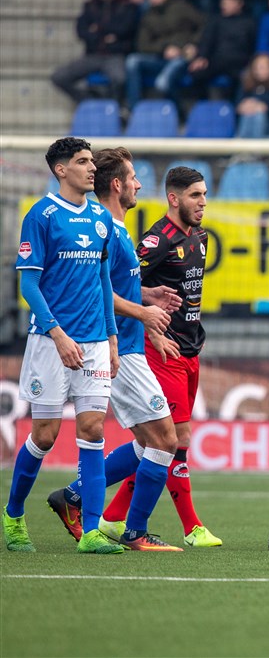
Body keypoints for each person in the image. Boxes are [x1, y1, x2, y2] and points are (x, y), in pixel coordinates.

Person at [46, 147, 184, 552]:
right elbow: (97, 290)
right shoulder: (103, 226)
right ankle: (134, 531)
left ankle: (72, 497)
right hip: (117, 347)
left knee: (147, 443)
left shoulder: (119, 229)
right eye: (134, 177)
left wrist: (147, 297)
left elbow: (116, 287)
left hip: (130, 344)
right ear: (118, 184)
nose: (140, 184)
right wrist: (142, 312)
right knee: (164, 440)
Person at [3, 137, 122, 555]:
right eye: (83, 161)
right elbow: (28, 283)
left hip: (92, 343)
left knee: (92, 430)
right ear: (61, 170)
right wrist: (58, 334)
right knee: (46, 435)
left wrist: (111, 337)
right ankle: (14, 514)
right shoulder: (42, 215)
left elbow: (104, 282)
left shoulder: (101, 218)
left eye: (92, 161)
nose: (92, 168)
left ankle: (91, 531)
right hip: (50, 343)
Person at [98, 166, 223, 548]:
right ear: (174, 198)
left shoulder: (200, 237)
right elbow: (124, 285)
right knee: (174, 438)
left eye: (204, 194)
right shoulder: (156, 241)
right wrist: (152, 327)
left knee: (158, 444)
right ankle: (191, 526)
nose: (202, 202)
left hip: (190, 347)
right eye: (195, 195)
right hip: (160, 349)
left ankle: (110, 515)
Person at [51, 0, 139, 103]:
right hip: (92, 55)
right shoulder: (91, 5)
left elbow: (124, 29)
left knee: (120, 79)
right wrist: (105, 35)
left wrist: (96, 30)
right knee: (59, 77)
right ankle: (88, 100)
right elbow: (81, 31)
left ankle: (115, 107)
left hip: (115, 55)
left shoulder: (128, 6)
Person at [124, 0, 204, 109]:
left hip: (183, 56)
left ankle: (178, 111)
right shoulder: (148, 15)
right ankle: (135, 109)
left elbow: (204, 25)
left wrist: (192, 45)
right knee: (132, 60)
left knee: (162, 82)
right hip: (159, 57)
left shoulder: (182, 7)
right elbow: (142, 45)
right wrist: (164, 49)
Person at [186, 0, 257, 101]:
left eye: (229, 1)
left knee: (245, 78)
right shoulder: (216, 20)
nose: (224, 4)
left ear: (239, 3)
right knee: (196, 72)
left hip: (240, 63)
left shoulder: (249, 23)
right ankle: (200, 106)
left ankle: (236, 109)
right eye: (223, 1)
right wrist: (201, 57)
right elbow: (207, 40)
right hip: (217, 60)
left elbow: (252, 46)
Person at [235, 53, 269, 139]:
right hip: (248, 121)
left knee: (259, 115)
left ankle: (255, 149)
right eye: (257, 67)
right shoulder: (246, 86)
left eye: (263, 67)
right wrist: (244, 106)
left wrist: (263, 107)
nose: (259, 70)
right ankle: (242, 148)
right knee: (248, 114)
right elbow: (238, 106)